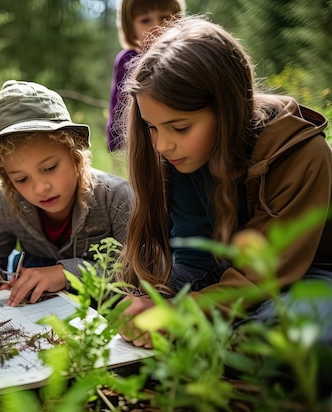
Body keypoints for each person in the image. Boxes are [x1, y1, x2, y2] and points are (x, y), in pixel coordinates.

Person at [115, 16, 332, 350]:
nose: (161, 145)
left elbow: (266, 272)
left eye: (180, 127)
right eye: (152, 127)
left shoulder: (302, 153)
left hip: (304, 275)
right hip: (225, 272)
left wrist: (182, 313)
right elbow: (193, 257)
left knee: (288, 335)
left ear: (228, 108)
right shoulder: (183, 155)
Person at [0, 80, 135, 307]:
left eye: (50, 168)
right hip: (41, 293)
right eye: (21, 179)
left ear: (75, 155)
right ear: (6, 177)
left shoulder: (116, 197)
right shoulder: (5, 200)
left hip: (98, 300)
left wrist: (65, 273)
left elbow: (137, 269)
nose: (40, 188)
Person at [106, 0, 185, 152]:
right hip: (145, 148)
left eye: (164, 18)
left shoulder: (185, 56)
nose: (157, 26)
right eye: (145, 20)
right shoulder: (127, 61)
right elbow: (117, 115)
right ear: (130, 29)